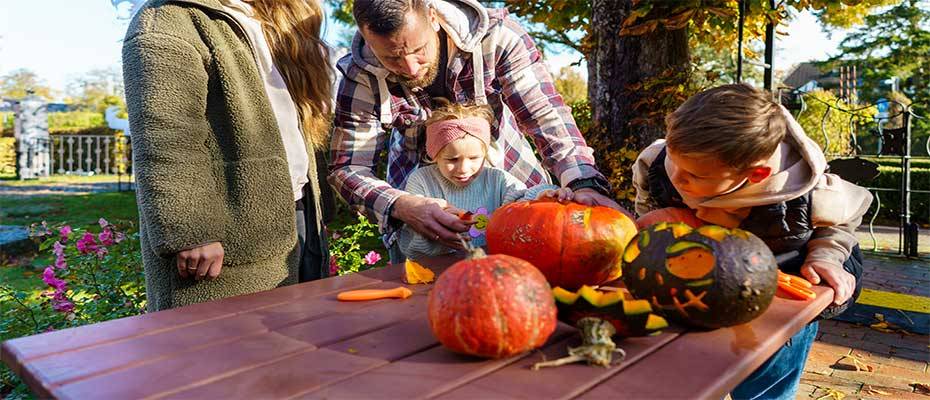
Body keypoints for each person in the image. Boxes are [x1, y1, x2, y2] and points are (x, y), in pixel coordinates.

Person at [328, 0, 619, 264]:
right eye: (392, 59)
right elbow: (349, 168)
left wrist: (583, 182)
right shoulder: (360, 75)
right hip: (419, 223)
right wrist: (402, 205)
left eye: (418, 51)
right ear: (368, 40)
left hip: (515, 194)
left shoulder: (498, 38)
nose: (411, 68)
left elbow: (545, 117)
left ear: (432, 16)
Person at [632, 83, 872, 399]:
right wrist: (655, 227)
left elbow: (845, 219)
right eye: (674, 162)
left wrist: (826, 254)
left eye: (694, 175)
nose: (678, 178)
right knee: (679, 377)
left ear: (755, 174)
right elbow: (648, 211)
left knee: (766, 383)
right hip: (690, 290)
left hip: (776, 298)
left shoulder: (808, 194)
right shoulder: (657, 166)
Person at [122, 0, 332, 311]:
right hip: (227, 234)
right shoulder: (168, 19)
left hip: (296, 211)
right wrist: (190, 232)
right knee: (224, 348)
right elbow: (167, 132)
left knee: (297, 342)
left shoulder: (263, 15)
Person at [397, 103, 571, 259]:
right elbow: (414, 248)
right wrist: (435, 227)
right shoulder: (421, 181)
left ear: (485, 154)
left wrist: (543, 196)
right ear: (434, 155)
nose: (464, 169)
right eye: (452, 160)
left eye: (474, 158)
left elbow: (521, 200)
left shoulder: (496, 179)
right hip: (436, 268)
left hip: (491, 265)